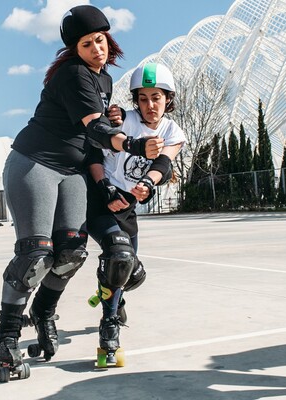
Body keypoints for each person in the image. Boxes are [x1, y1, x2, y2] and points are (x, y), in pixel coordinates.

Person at [0, 5, 164, 381]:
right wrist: (131, 143)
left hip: (73, 171)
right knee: (36, 255)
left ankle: (43, 312)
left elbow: (97, 124)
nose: (96, 49)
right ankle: (6, 336)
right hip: (35, 162)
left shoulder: (103, 79)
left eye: (100, 40)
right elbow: (95, 128)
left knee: (70, 253)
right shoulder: (72, 74)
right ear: (75, 50)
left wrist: (112, 117)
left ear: (109, 40)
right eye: (86, 44)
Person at [85, 62, 186, 365]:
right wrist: (105, 188)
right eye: (143, 99)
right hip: (101, 201)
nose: (150, 105)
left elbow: (162, 165)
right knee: (120, 258)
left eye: (156, 97)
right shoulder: (121, 121)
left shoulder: (173, 131)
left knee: (130, 272)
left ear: (168, 99)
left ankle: (110, 292)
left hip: (127, 207)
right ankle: (109, 327)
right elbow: (92, 154)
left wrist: (145, 185)